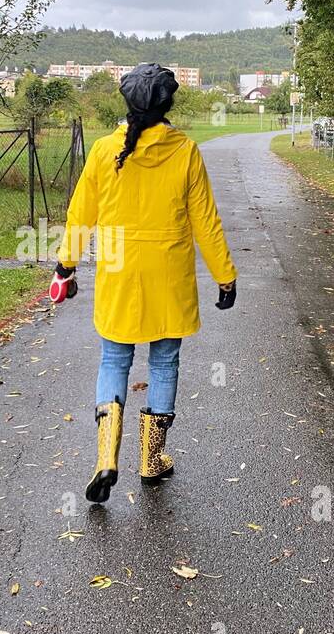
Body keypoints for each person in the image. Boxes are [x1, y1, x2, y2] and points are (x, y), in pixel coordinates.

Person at [51, 62, 237, 503]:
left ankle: (105, 460)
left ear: (126, 102)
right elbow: (205, 221)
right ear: (169, 103)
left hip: (119, 273)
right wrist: (225, 276)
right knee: (164, 362)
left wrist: (66, 265)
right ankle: (152, 461)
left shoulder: (101, 151)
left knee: (114, 360)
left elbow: (81, 215)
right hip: (168, 275)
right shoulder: (186, 151)